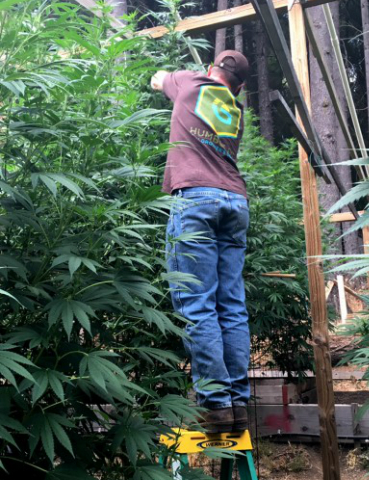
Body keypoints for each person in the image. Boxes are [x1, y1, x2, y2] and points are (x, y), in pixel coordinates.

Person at [151, 50, 251, 433]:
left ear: (211, 70)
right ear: (239, 86)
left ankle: (214, 405)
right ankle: (236, 403)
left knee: (197, 303)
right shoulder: (236, 112)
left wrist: (180, 73)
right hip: (235, 202)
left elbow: (157, 78)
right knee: (231, 305)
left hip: (196, 198)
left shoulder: (191, 82)